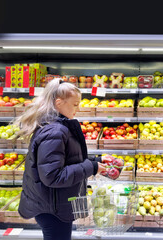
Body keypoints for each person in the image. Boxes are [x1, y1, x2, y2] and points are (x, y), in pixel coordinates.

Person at [13, 78, 107, 240]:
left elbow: (67, 159)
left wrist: (96, 160)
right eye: (75, 104)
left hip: (54, 204)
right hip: (53, 208)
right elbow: (53, 176)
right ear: (58, 102)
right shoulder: (55, 131)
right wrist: (91, 167)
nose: (78, 108)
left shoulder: (55, 126)